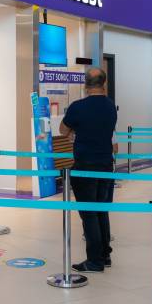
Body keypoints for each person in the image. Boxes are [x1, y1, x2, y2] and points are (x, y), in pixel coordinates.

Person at [60, 67, 117, 273]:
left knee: (89, 214)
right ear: (104, 83)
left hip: (84, 167)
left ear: (85, 85)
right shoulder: (111, 106)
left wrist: (75, 132)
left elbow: (63, 130)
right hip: (106, 165)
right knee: (101, 210)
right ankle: (105, 255)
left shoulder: (77, 107)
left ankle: (95, 260)